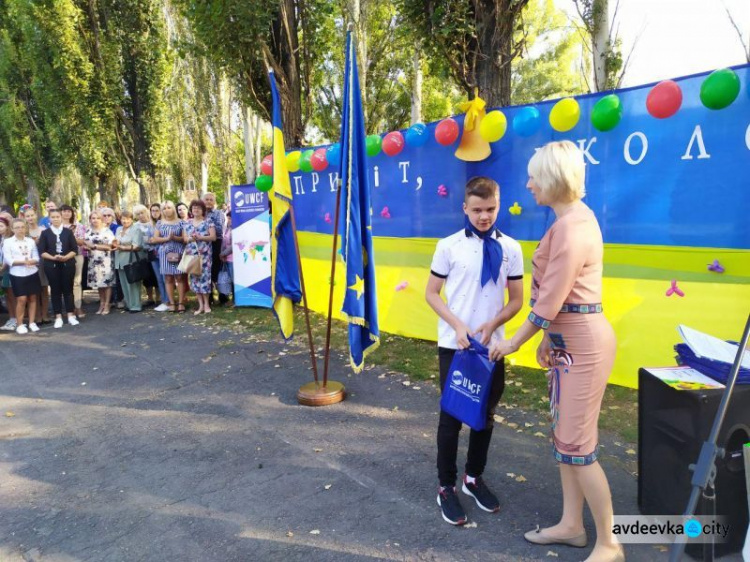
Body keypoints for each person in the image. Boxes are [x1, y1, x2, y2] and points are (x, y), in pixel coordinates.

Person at [489, 141, 622, 562]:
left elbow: (550, 301)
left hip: (583, 344)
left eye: (533, 177)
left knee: (579, 447)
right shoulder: (568, 221)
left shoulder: (572, 226)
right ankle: (571, 526)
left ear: (552, 178)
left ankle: (610, 542)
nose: (527, 184)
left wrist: (513, 342)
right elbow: (557, 299)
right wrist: (548, 337)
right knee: (566, 441)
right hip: (569, 342)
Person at [424, 176, 524, 526]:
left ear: (499, 205)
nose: (484, 216)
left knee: (486, 414)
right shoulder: (448, 246)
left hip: (492, 348)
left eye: (491, 209)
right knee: (452, 416)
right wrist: (458, 325)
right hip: (457, 345)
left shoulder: (511, 248)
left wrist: (493, 323)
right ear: (465, 208)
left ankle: (473, 478)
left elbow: (517, 301)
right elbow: (432, 294)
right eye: (477, 210)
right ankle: (446, 486)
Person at [38, 209, 79, 328]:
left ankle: (71, 315)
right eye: (53, 217)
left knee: (68, 290)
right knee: (55, 291)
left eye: (57, 216)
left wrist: (65, 257)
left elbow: (74, 249)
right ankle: (58, 317)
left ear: (61, 217)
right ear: (49, 219)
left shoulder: (68, 232)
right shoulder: (45, 233)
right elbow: (42, 251)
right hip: (51, 265)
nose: (55, 219)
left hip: (68, 264)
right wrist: (53, 257)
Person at [2, 218, 41, 334]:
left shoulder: (30, 241)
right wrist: (24, 262)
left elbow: (37, 257)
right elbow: (9, 260)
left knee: (33, 298)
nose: (20, 229)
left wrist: (31, 261)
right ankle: (19, 324)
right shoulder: (8, 242)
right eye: (17, 227)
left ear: (26, 228)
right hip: (17, 273)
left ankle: (32, 322)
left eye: (22, 227)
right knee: (21, 299)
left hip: (32, 272)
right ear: (12, 229)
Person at [151, 201, 186, 313]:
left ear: (173, 209)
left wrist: (175, 238)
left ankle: (180, 302)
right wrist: (166, 239)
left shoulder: (181, 222)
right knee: (168, 278)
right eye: (164, 208)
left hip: (178, 251)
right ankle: (171, 302)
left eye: (169, 207)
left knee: (179, 277)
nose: (167, 210)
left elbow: (184, 238)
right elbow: (155, 238)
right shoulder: (160, 223)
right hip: (164, 253)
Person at [183, 199, 215, 315]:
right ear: (191, 210)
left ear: (203, 210)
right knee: (195, 280)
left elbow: (213, 237)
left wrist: (200, 237)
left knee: (205, 280)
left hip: (205, 255)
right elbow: (185, 239)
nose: (196, 209)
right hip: (192, 255)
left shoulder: (208, 221)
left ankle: (207, 304)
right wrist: (192, 238)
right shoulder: (186, 223)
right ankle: (200, 305)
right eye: (194, 207)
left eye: (199, 208)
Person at [133, 203, 166, 309]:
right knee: (147, 278)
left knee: (159, 277)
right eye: (138, 214)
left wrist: (152, 240)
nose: (140, 215)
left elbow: (154, 238)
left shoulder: (153, 224)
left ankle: (160, 298)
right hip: (143, 254)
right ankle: (150, 298)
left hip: (156, 252)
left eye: (142, 213)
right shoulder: (135, 226)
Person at [84, 210, 116, 314]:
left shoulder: (107, 231)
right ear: (90, 220)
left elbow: (111, 246)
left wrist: (95, 246)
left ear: (101, 219)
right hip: (93, 260)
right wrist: (86, 247)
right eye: (93, 218)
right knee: (99, 283)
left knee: (106, 283)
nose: (95, 220)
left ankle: (107, 304)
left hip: (105, 260)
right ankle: (101, 303)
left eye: (97, 218)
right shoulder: (88, 231)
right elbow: (85, 244)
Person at [113, 210, 144, 313]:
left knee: (133, 283)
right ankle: (129, 304)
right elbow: (115, 242)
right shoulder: (118, 229)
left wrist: (121, 247)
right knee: (123, 283)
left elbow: (136, 246)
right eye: (123, 218)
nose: (125, 221)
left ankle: (136, 305)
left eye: (127, 218)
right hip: (119, 260)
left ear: (131, 219)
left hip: (130, 259)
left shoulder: (136, 229)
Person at [25, 207, 51, 324]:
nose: (30, 218)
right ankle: (37, 315)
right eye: (28, 216)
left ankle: (45, 314)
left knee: (44, 289)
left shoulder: (43, 230)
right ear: (25, 218)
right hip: (28, 263)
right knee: (34, 290)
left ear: (36, 216)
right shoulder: (23, 231)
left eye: (32, 215)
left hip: (43, 261)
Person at [60, 204, 87, 318]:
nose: (66, 213)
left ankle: (78, 307)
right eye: (64, 211)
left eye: (69, 211)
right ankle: (68, 308)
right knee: (64, 283)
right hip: (61, 257)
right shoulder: (55, 226)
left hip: (77, 255)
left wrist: (68, 236)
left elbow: (81, 241)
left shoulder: (79, 226)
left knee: (77, 282)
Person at [202, 192, 227, 306]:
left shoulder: (219, 213)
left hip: (216, 243)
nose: (208, 201)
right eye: (206, 199)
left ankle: (222, 296)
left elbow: (218, 230)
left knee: (216, 270)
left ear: (214, 202)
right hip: (203, 245)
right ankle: (209, 297)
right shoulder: (199, 213)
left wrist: (203, 230)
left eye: (211, 200)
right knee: (206, 271)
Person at [0, 215, 18, 330]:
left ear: (7, 227)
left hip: (8, 270)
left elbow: (8, 257)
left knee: (12, 295)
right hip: (2, 271)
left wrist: (2, 268)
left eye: (1, 226)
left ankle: (17, 319)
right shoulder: (1, 239)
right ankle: (11, 318)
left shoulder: (9, 240)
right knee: (7, 295)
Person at [219, 211, 234, 304]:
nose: (230, 220)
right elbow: (223, 242)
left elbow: (233, 245)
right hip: (226, 258)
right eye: (228, 218)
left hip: (234, 259)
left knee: (234, 280)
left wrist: (223, 253)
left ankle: (235, 300)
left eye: (231, 218)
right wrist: (222, 253)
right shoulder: (226, 228)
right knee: (229, 280)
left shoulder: (237, 229)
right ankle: (230, 298)